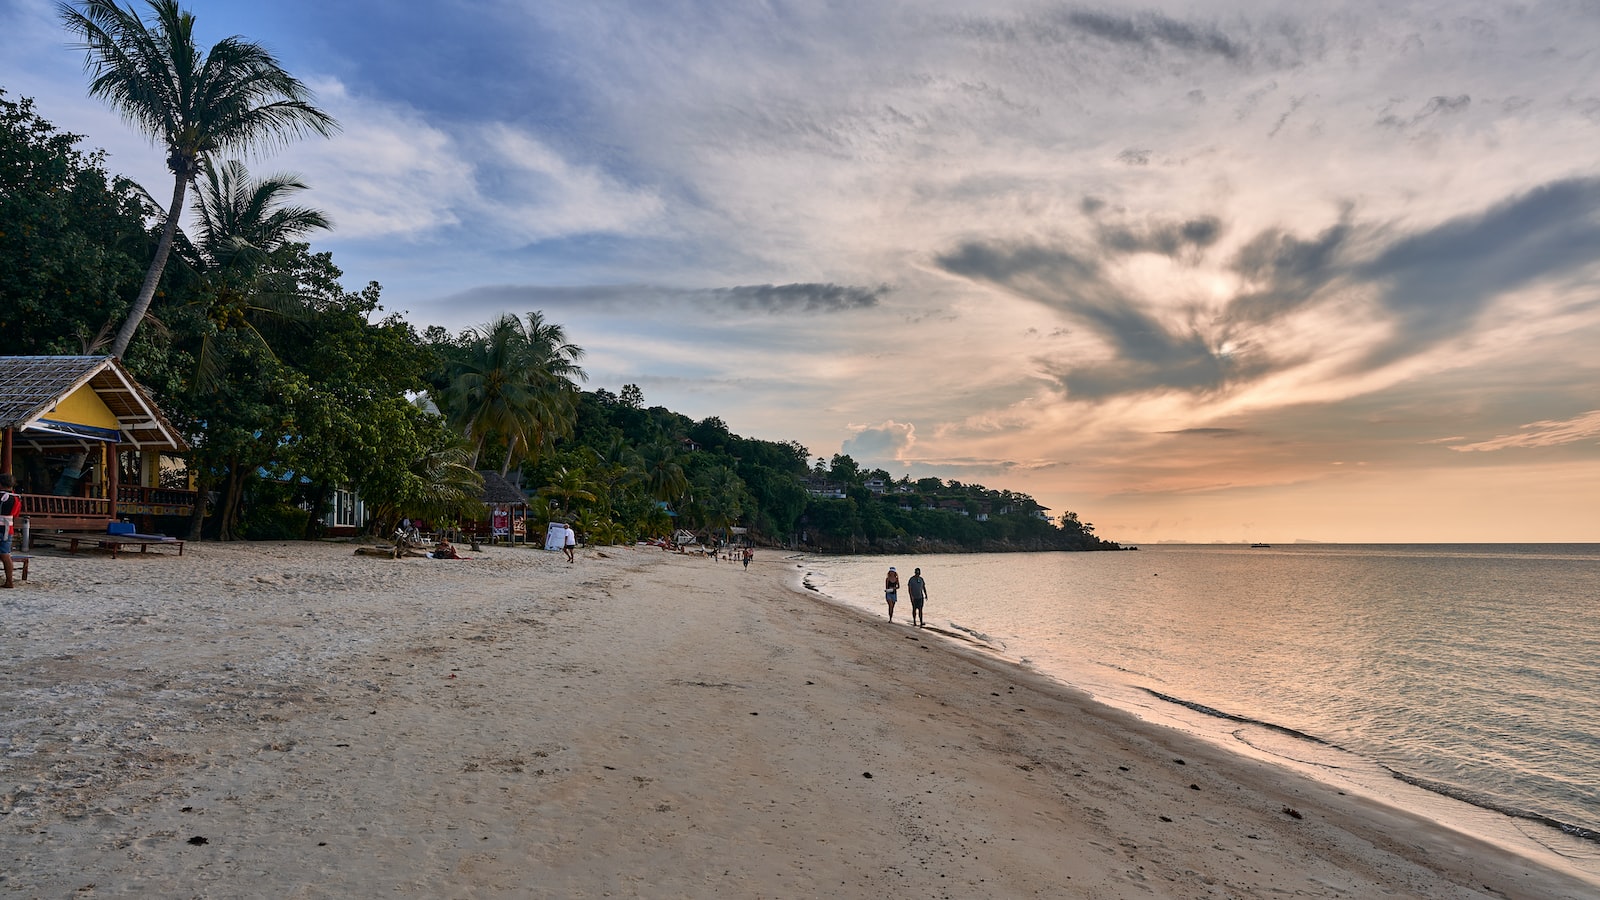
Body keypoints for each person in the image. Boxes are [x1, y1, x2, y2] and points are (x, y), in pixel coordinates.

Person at [0, 473, 19, 589]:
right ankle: (9, 580)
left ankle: (9, 582)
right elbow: (15, 514)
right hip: (8, 528)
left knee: (5, 555)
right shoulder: (16, 498)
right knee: (5, 554)